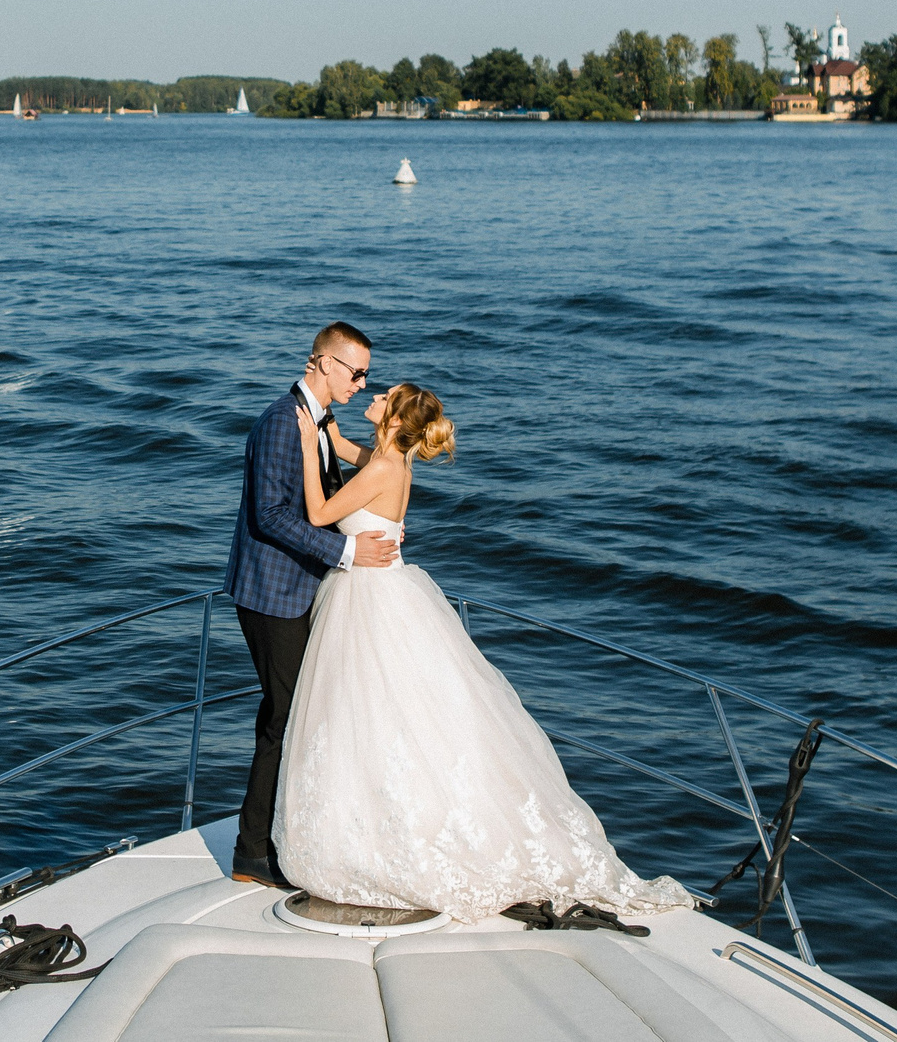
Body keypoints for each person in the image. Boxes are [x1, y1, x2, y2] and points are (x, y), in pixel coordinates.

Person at [271, 383, 693, 923]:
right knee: (391, 714)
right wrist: (327, 424)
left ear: (395, 420)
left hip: (370, 599)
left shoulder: (384, 468)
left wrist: (309, 452)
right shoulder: (389, 459)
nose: (374, 394)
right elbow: (356, 454)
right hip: (386, 592)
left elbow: (319, 513)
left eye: (385, 395)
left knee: (372, 713)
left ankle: (386, 832)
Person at [223, 322, 399, 889]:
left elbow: (343, 486)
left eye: (366, 374)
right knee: (286, 717)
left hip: (301, 589)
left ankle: (279, 836)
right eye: (357, 372)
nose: (362, 383)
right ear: (324, 363)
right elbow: (271, 516)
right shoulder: (284, 422)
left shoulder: (319, 421)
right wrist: (348, 551)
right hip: (273, 594)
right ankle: (254, 852)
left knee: (294, 714)